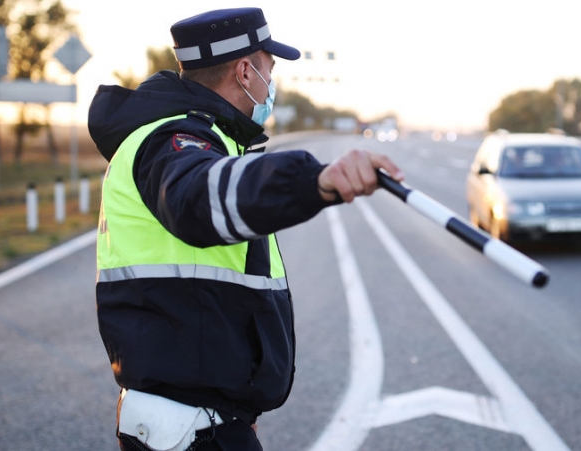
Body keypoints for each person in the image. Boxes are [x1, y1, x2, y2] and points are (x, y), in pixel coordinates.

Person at [87, 7, 403, 451]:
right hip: (190, 430)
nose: (272, 84)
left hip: (201, 421)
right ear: (245, 71)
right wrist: (313, 180)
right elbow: (198, 198)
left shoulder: (202, 139)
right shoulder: (171, 142)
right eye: (270, 70)